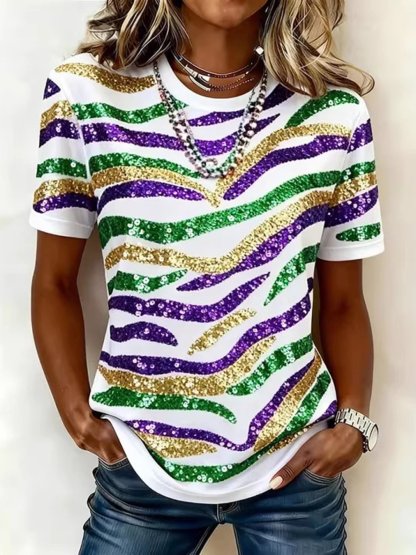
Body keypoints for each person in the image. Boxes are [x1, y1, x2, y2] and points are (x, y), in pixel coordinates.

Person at [29, 0, 385, 553]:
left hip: (295, 470)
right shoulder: (85, 94)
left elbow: (342, 302)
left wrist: (353, 427)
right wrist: (77, 415)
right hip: (140, 467)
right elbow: (53, 281)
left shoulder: (335, 115)